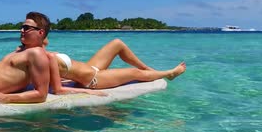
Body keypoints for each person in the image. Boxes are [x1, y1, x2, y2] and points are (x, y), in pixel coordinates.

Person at [44, 38, 186, 94]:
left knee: (117, 43)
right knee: (134, 73)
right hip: (93, 80)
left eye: (27, 28)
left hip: (90, 68)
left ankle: (149, 70)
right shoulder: (36, 56)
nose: (24, 31)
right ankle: (169, 73)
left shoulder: (40, 50)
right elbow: (56, 88)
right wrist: (88, 92)